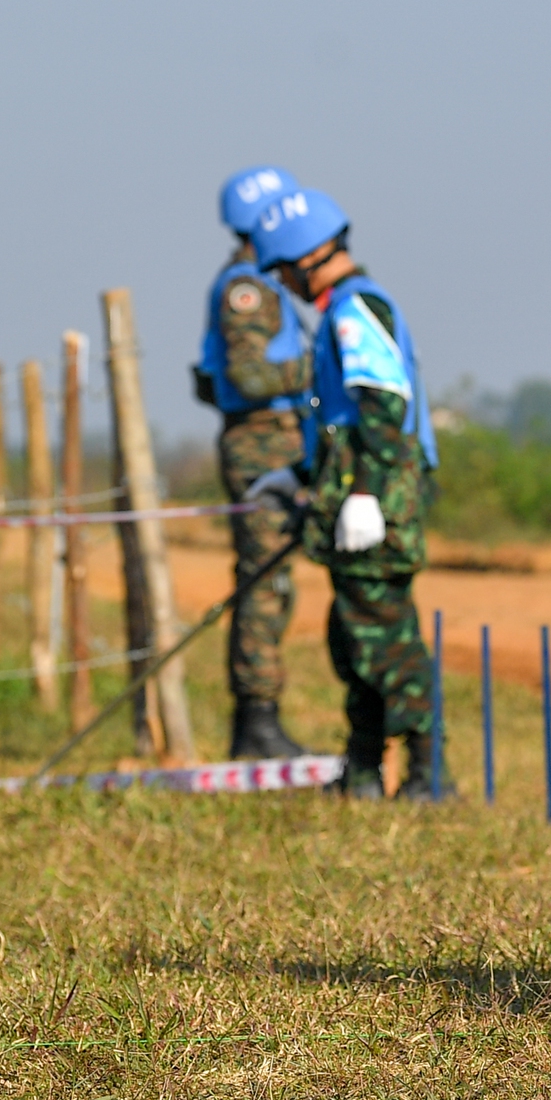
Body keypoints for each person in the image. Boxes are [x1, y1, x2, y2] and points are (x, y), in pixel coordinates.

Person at [248, 186, 449, 801]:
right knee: (354, 638)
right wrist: (304, 476)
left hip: (377, 508)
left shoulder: (358, 309)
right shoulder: (340, 311)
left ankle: (427, 777)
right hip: (352, 504)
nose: (284, 284)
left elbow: (382, 405)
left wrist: (364, 495)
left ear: (309, 258)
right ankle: (362, 770)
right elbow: (338, 419)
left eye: (284, 271)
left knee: (388, 642)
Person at [195, 165, 319, 760]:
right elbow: (247, 375)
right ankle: (257, 721)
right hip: (259, 443)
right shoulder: (247, 289)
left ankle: (261, 718)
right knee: (263, 584)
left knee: (273, 582)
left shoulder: (258, 283)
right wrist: (325, 370)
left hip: (278, 440)